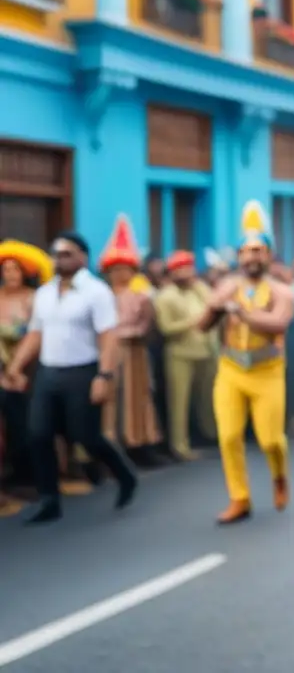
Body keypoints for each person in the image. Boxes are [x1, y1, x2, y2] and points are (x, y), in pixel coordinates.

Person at [3, 231, 138, 524]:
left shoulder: (96, 292)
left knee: (85, 436)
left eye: (66, 254)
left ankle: (124, 474)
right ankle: (49, 499)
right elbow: (35, 333)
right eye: (56, 254)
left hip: (83, 371)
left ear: (82, 258)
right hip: (49, 373)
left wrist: (104, 375)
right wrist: (16, 366)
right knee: (38, 435)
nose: (59, 260)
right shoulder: (44, 293)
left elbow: (108, 336)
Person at [198, 201, 294, 524]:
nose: (252, 257)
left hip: (267, 371)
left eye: (258, 251)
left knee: (270, 440)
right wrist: (214, 305)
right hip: (231, 370)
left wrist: (241, 311)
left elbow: (278, 324)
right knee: (228, 437)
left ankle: (279, 476)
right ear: (238, 257)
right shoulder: (227, 287)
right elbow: (201, 326)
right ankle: (239, 498)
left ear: (268, 255)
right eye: (246, 252)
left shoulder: (282, 291)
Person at [99, 215, 164, 467]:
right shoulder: (102, 295)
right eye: (115, 269)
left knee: (137, 396)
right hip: (107, 353)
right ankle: (110, 445)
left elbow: (147, 325)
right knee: (110, 399)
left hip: (134, 353)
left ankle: (139, 442)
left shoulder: (141, 296)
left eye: (125, 269)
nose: (120, 274)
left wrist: (131, 333)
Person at [0, 240, 51, 517]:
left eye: (15, 269)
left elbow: (37, 333)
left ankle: (31, 477)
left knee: (27, 422)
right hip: (2, 369)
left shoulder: (34, 298)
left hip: (29, 367)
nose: (10, 274)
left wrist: (17, 366)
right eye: (5, 269)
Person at [153, 250, 217, 461]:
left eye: (189, 268)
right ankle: (179, 446)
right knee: (178, 402)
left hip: (206, 352)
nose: (187, 273)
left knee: (207, 399)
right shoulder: (165, 296)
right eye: (181, 269)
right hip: (179, 355)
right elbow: (166, 328)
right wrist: (193, 321)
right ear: (172, 273)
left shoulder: (201, 289)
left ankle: (210, 435)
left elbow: (214, 309)